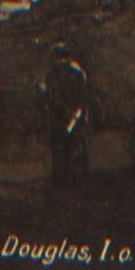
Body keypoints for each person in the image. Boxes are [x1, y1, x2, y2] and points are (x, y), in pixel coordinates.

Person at [44, 42, 93, 186]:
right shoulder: (79, 72)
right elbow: (85, 97)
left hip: (59, 118)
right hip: (77, 118)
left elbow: (53, 97)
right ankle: (79, 181)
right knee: (78, 148)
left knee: (60, 150)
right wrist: (78, 114)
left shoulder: (54, 73)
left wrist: (66, 112)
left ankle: (62, 182)